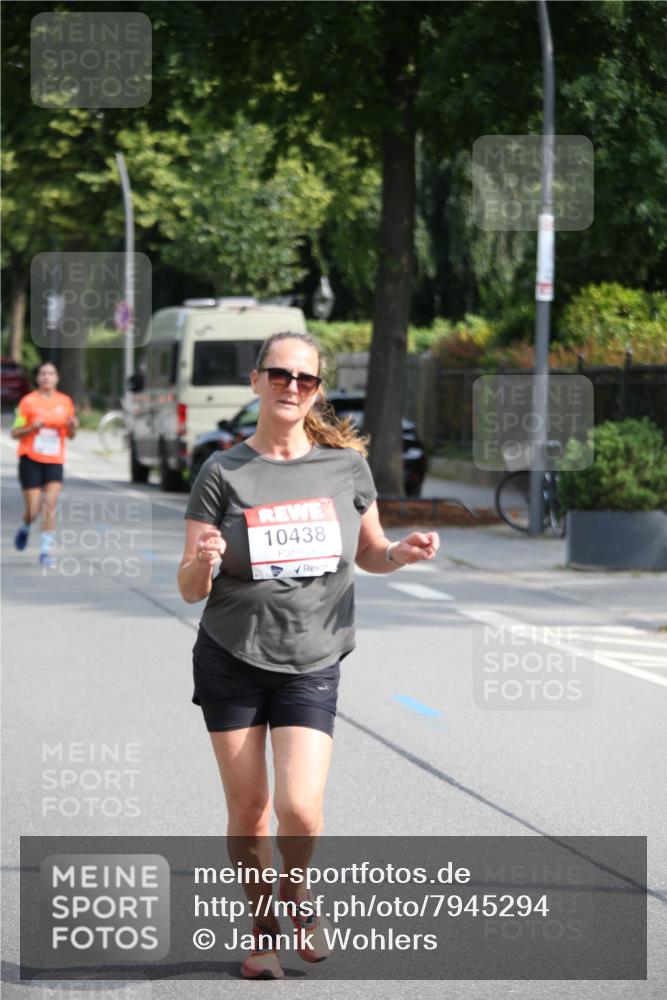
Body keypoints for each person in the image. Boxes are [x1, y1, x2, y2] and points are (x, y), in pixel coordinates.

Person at [178, 331, 439, 979]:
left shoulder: (345, 469)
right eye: (279, 375)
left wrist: (399, 555)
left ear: (317, 389)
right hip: (230, 655)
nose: (291, 387)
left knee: (298, 808)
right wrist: (203, 561)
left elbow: (370, 552)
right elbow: (187, 589)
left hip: (312, 655)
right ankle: (262, 930)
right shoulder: (221, 471)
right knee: (248, 810)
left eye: (305, 379)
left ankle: (296, 889)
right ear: (256, 380)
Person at [12, 361, 78, 568]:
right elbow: (15, 432)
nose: (46, 377)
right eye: (42, 374)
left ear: (57, 377)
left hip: (54, 461)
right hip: (30, 459)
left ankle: (45, 551)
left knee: (49, 505)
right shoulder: (27, 402)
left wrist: (73, 426)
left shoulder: (65, 402)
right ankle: (25, 526)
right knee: (33, 509)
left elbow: (72, 435)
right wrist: (32, 426)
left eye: (51, 373)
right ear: (37, 378)